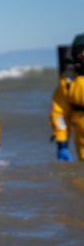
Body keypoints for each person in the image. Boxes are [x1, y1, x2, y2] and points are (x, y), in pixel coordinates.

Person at [51, 33, 84, 162]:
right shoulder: (68, 79)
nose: (83, 54)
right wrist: (62, 143)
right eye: (80, 51)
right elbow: (59, 112)